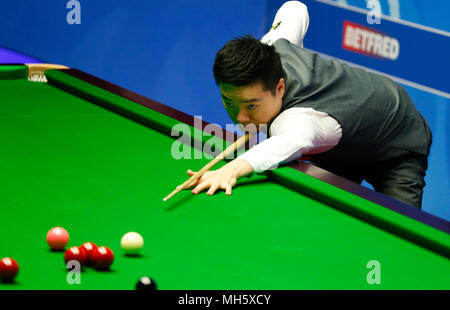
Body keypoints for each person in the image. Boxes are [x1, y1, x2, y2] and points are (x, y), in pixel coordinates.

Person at [186, 1, 432, 209]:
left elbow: (287, 142)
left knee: (395, 232)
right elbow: (295, 8)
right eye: (229, 102)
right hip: (336, 145)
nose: (240, 117)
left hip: (396, 142)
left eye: (251, 106)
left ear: (280, 87)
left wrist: (232, 169)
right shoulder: (271, 47)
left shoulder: (299, 122)